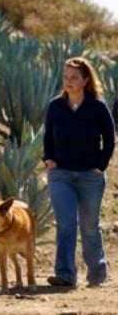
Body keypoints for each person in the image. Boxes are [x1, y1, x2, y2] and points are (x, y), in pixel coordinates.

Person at [43, 56, 115, 288]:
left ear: (85, 80)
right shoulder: (55, 106)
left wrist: (101, 165)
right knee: (66, 223)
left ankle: (96, 275)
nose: (68, 81)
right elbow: (47, 136)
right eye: (65, 77)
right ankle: (65, 275)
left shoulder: (98, 107)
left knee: (89, 226)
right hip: (60, 174)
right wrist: (48, 159)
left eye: (74, 77)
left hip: (90, 176)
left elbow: (110, 139)